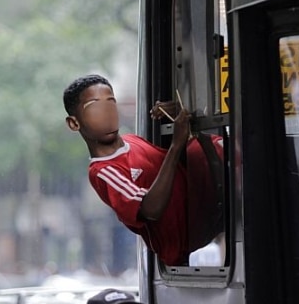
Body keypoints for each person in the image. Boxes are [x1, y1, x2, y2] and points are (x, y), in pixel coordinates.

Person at [63, 74, 223, 266]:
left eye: (111, 103)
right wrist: (176, 144)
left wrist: (179, 113)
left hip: (208, 209)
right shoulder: (103, 171)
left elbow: (179, 165)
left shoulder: (133, 140)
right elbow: (150, 209)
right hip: (185, 242)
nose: (107, 112)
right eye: (95, 106)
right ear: (74, 123)